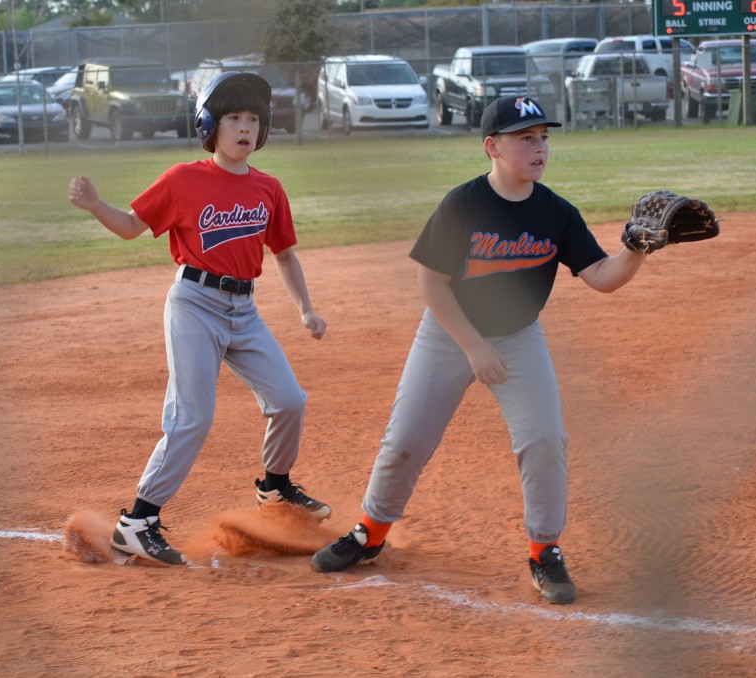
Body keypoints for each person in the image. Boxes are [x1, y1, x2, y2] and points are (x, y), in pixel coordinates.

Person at [311, 95, 649, 605]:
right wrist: (473, 347)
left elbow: (601, 278)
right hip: (448, 333)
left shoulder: (556, 212)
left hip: (518, 335)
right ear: (492, 147)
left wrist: (636, 249)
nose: (539, 148)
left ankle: (544, 551)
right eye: (524, 138)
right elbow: (432, 284)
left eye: (543, 138)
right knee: (405, 441)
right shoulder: (463, 204)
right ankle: (370, 533)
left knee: (544, 440)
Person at [68, 72, 330, 566]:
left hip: (244, 311)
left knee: (289, 400)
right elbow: (130, 226)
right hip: (194, 305)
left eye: (253, 118)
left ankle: (275, 488)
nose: (245, 127)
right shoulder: (183, 179)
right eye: (234, 117)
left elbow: (286, 255)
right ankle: (137, 521)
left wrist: (306, 308)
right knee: (192, 416)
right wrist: (95, 204)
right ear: (211, 124)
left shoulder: (269, 188)